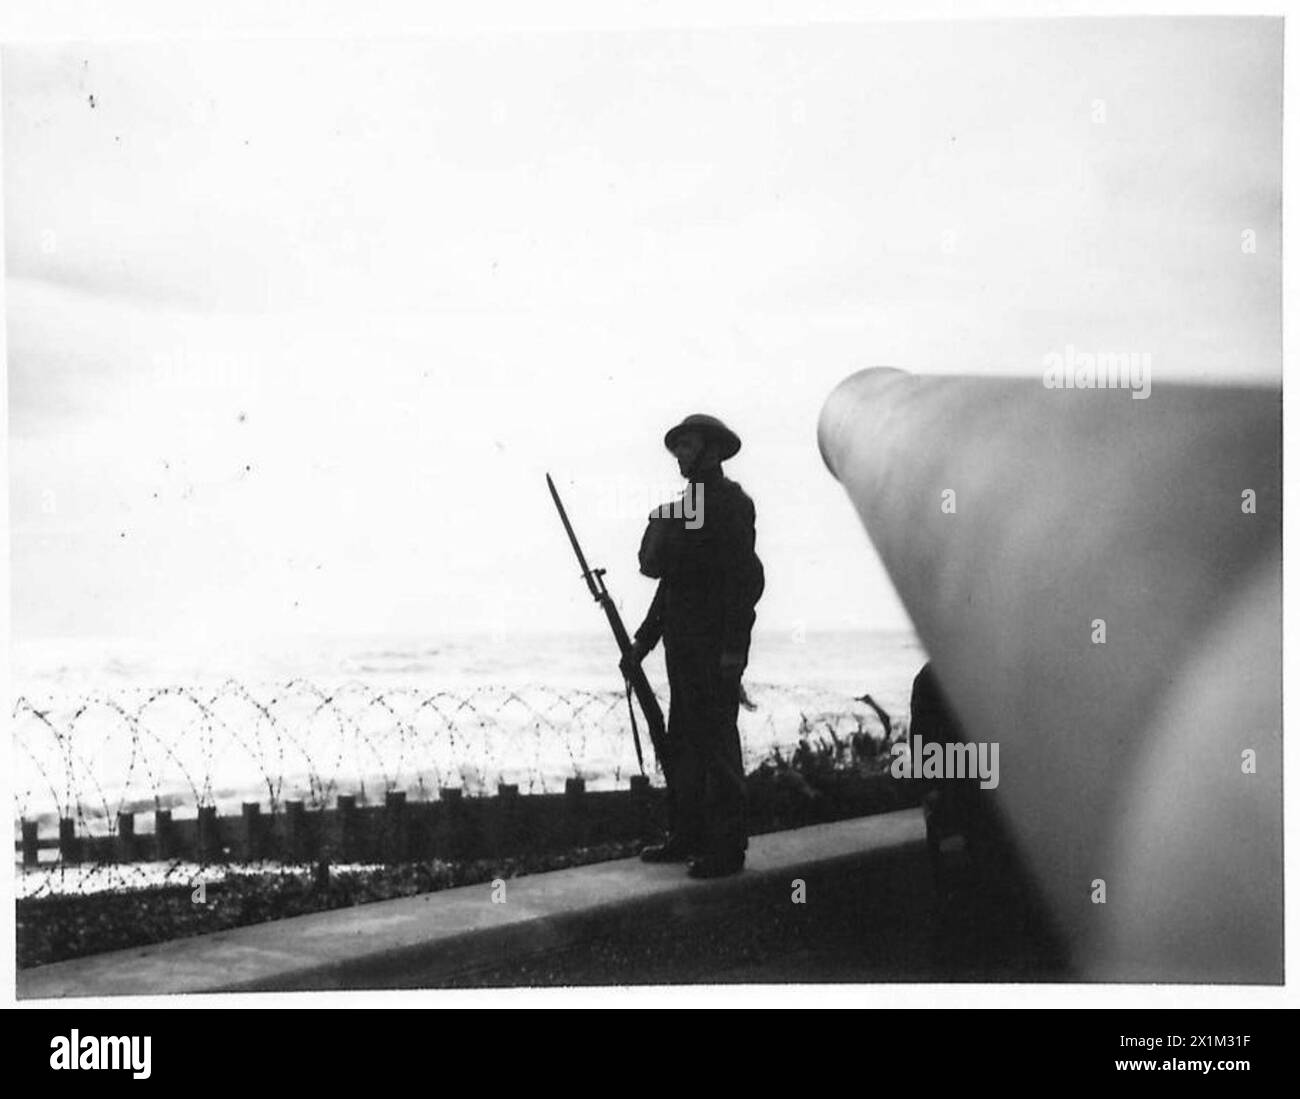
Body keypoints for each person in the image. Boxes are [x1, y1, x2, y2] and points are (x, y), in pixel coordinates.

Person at [621, 414, 764, 878]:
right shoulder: (684, 508)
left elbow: (743, 583)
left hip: (714, 647)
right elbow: (670, 585)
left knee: (717, 742)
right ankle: (687, 835)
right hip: (681, 648)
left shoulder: (730, 504)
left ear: (712, 451)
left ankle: (726, 848)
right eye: (677, 446)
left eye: (687, 445)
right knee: (683, 740)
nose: (679, 454)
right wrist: (642, 642)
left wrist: (733, 650)